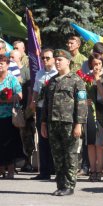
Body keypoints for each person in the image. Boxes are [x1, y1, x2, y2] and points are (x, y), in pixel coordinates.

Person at [41, 49, 87, 196]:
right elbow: (46, 103)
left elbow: (81, 104)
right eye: (56, 59)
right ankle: (60, 185)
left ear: (68, 61)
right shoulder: (52, 81)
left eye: (60, 59)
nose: (57, 62)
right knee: (57, 155)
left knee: (70, 154)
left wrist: (79, 124)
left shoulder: (76, 80)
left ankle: (69, 185)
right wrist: (43, 123)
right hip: (53, 122)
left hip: (69, 123)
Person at [30, 49, 57, 180]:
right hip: (41, 108)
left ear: (53, 58)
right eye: (43, 58)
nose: (45, 60)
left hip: (54, 110)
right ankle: (44, 171)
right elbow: (35, 89)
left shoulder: (57, 73)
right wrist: (33, 102)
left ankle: (56, 170)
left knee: (55, 140)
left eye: (47, 58)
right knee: (42, 139)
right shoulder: (40, 73)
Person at [10, 50, 35, 172]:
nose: (11, 59)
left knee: (27, 135)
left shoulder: (26, 71)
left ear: (19, 58)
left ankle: (28, 161)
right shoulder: (8, 71)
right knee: (13, 136)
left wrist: (29, 107)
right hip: (11, 108)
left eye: (13, 57)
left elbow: (30, 90)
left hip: (24, 107)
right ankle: (12, 163)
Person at [85, 53, 103, 182]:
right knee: (90, 143)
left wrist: (97, 79)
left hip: (101, 110)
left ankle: (99, 170)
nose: (97, 66)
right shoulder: (86, 77)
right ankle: (92, 169)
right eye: (94, 64)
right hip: (89, 110)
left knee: (99, 143)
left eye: (99, 64)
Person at [0, 55, 23, 179]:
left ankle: (10, 170)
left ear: (7, 65)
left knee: (9, 143)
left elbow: (20, 95)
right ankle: (1, 169)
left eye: (2, 63)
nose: (0, 65)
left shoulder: (11, 79)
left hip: (9, 116)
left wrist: (5, 99)